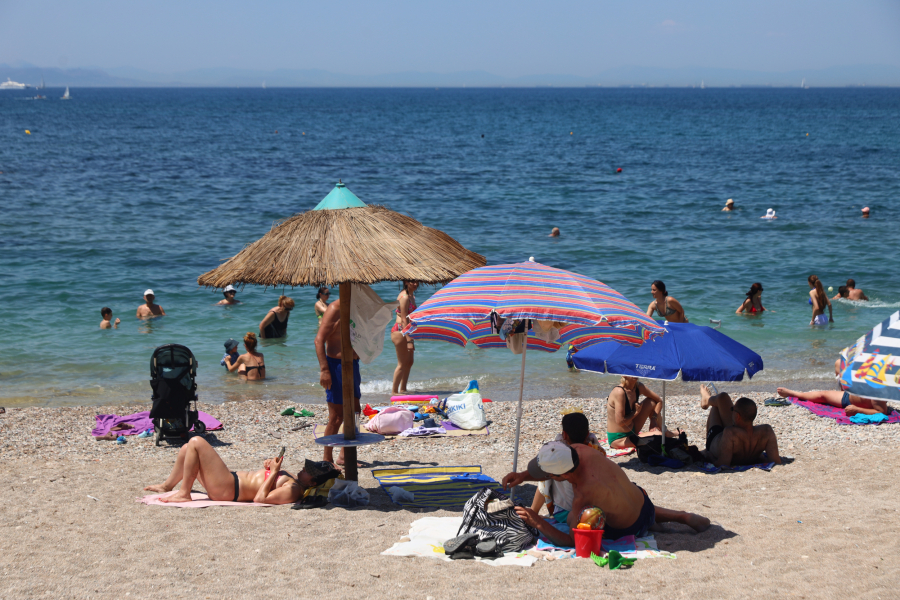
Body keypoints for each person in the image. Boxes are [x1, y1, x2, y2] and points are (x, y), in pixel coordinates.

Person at [503, 442, 710, 547]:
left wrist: (538, 521)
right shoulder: (579, 449)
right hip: (643, 502)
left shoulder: (583, 494)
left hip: (632, 529)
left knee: (574, 517)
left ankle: (650, 524)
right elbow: (554, 468)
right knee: (623, 496)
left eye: (549, 475)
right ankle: (681, 516)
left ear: (562, 475)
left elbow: (572, 542)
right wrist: (523, 475)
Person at [143, 436, 340, 504]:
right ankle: (167, 486)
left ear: (312, 482)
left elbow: (260, 499)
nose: (304, 468)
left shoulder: (294, 490)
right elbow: (263, 481)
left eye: (308, 470)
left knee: (196, 442)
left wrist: (273, 473)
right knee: (188, 448)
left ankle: (184, 494)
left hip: (229, 489)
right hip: (229, 481)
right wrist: (269, 466)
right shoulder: (292, 479)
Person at [315, 298, 362, 466]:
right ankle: (327, 459)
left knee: (355, 412)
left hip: (353, 364)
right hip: (336, 366)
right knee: (336, 416)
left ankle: (344, 455)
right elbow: (319, 340)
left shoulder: (356, 305)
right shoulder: (335, 308)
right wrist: (324, 369)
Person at [530, 412, 602, 520]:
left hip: (565, 513)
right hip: (593, 511)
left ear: (564, 435)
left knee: (547, 470)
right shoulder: (596, 452)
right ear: (587, 434)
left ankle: (533, 511)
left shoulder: (562, 455)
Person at [700, 385, 781, 467]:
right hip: (741, 438)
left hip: (714, 438)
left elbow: (723, 464)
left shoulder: (730, 433)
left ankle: (707, 399)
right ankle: (707, 399)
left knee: (718, 403)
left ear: (737, 416)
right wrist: (760, 458)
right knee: (722, 398)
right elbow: (776, 461)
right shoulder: (767, 431)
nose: (731, 411)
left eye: (732, 409)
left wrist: (709, 456)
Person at [606, 376, 676, 449]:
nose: (635, 375)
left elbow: (659, 401)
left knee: (651, 402)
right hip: (619, 439)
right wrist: (635, 412)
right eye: (632, 372)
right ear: (623, 375)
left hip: (633, 430)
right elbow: (620, 422)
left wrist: (653, 420)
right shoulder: (619, 392)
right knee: (659, 436)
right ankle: (664, 434)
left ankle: (666, 432)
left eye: (636, 371)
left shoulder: (638, 387)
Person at [776, 387, 890, 417]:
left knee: (823, 396)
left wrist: (858, 410)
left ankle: (793, 393)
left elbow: (881, 412)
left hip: (848, 401)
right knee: (822, 395)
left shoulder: (878, 392)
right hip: (848, 396)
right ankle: (794, 393)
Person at [391, 281, 419, 394]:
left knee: (409, 362)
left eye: (417, 281)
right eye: (412, 282)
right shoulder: (405, 297)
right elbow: (403, 320)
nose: (415, 284)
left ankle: (403, 389)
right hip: (400, 331)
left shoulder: (411, 296)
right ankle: (394, 392)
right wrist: (409, 340)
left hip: (407, 331)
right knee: (402, 364)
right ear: (406, 282)